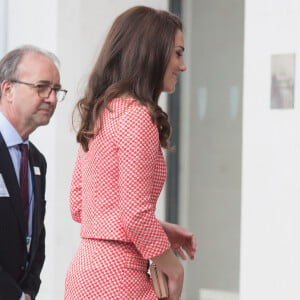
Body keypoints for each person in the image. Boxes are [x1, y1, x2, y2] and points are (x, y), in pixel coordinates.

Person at [64, 5, 196, 300]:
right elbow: (134, 215)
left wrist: (159, 230)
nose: (182, 65)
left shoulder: (101, 112)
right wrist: (173, 268)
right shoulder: (137, 117)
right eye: (177, 53)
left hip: (85, 273)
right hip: (120, 279)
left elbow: (80, 205)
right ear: (152, 53)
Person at [0, 45, 67, 300]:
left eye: (56, 90)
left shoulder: (36, 161)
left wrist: (28, 291)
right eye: (41, 87)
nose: (51, 98)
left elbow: (36, 236)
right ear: (8, 90)